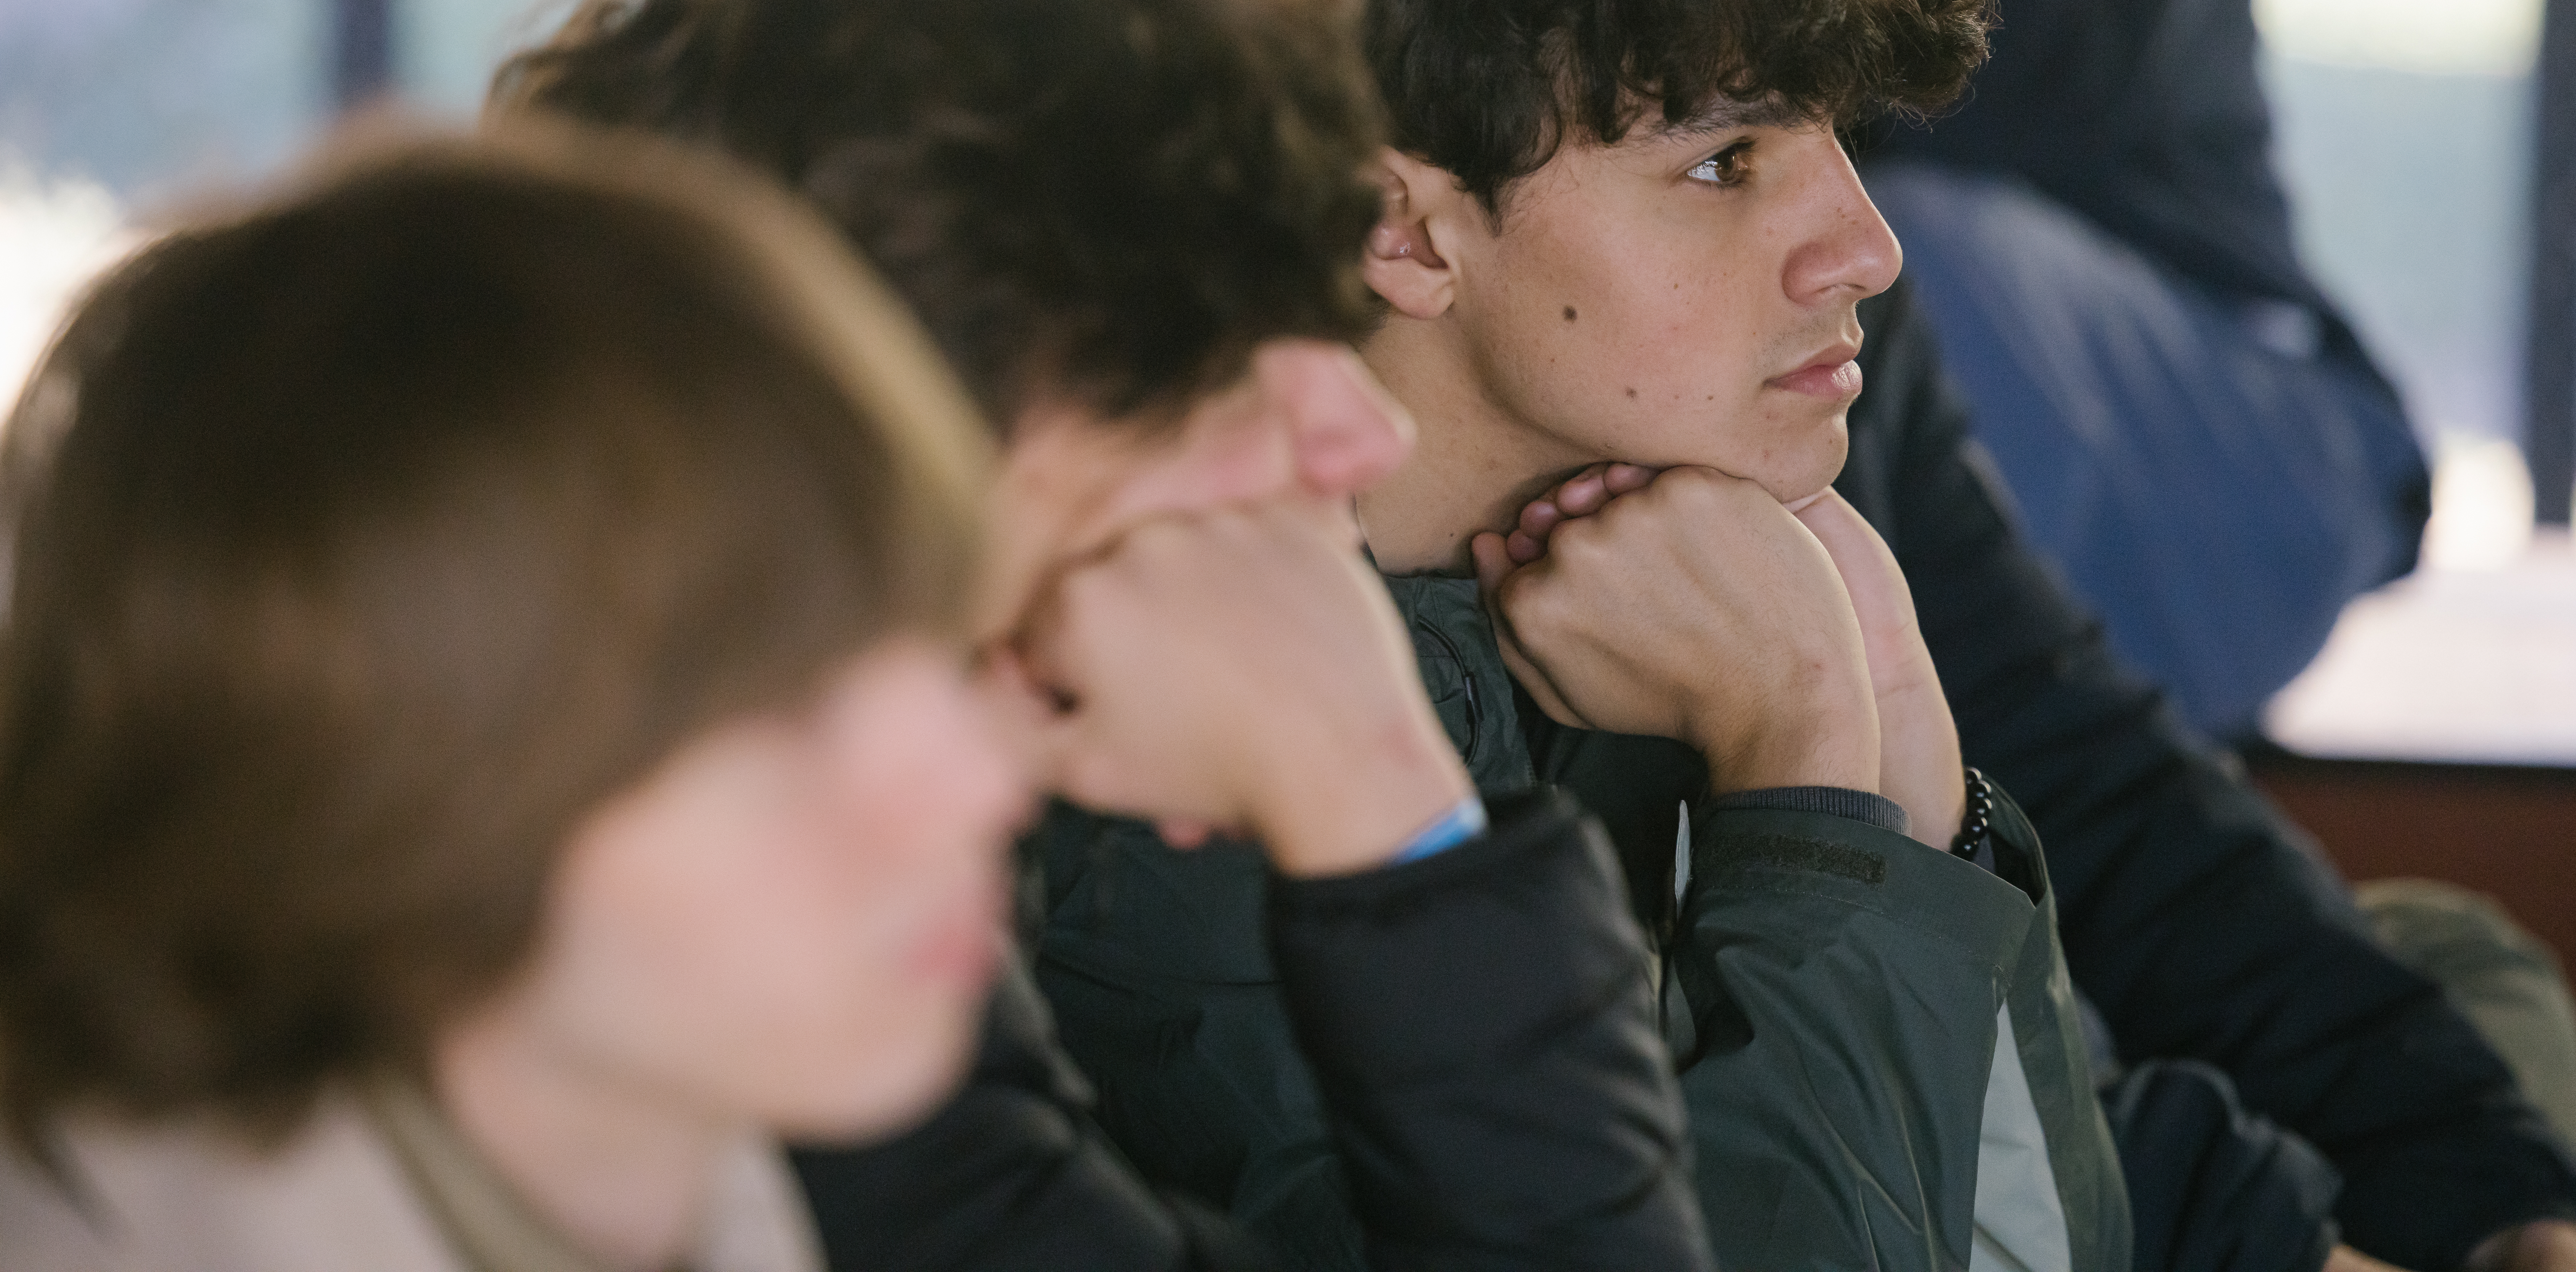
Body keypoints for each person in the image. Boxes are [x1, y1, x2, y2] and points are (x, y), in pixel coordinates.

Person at [494, 0, 2130, 1272]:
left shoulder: (880, 982)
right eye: (1212, 363)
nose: (1347, 431)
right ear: (879, 433)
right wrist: (1389, 809)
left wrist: (1861, 722)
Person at [1396, 0, 2576, 1270]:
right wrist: (1811, 753)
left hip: (1977, 1052)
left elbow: (2078, 776)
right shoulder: (1525, 343)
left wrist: (2491, 1197)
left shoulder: (1814, 292)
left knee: (2467, 994)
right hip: (1845, 1113)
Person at [0, 121, 1712, 1271]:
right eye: (775, 717)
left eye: (919, 648)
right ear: (363, 779)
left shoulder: (698, 1153)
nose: (969, 776)